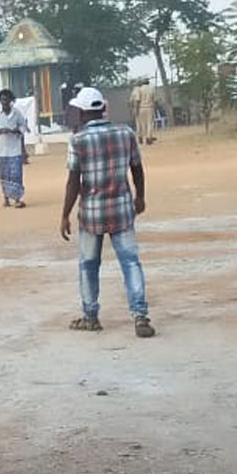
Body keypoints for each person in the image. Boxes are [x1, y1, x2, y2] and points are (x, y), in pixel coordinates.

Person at [60, 88, 155, 339]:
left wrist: (65, 214)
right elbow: (137, 169)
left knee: (88, 265)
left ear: (82, 112)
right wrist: (140, 197)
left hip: (91, 213)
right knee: (131, 262)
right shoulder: (126, 133)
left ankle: (91, 316)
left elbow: (73, 181)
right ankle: (140, 315)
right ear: (102, 108)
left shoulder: (78, 140)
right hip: (122, 210)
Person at [0, 88, 29, 208]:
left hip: (15, 149)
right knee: (4, 175)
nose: (4, 102)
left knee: (16, 174)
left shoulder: (17, 113)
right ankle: (6, 198)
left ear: (11, 100)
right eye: (2, 99)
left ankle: (17, 199)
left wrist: (17, 130)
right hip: (0, 150)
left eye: (6, 99)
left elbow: (24, 126)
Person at [132, 77, 156, 145]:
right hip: (150, 107)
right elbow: (154, 100)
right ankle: (149, 138)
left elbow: (137, 100)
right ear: (148, 82)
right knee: (149, 123)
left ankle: (141, 138)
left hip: (141, 108)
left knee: (142, 124)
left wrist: (135, 109)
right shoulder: (152, 89)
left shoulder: (139, 89)